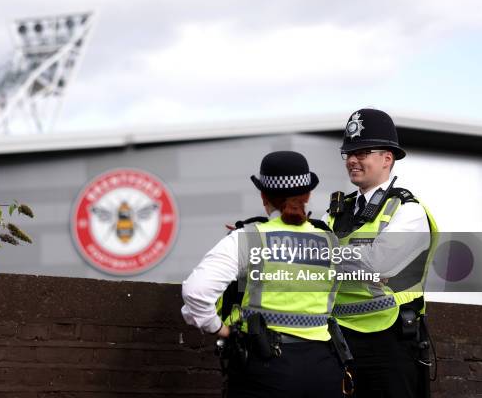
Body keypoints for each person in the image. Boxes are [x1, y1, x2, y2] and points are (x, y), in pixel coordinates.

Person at [182, 151, 344, 398]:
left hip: (265, 367)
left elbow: (196, 292)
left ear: (263, 196)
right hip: (323, 369)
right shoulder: (331, 242)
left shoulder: (249, 238)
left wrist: (219, 329)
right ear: (308, 195)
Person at [323, 108, 439, 398]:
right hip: (338, 338)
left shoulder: (408, 211)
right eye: (348, 153)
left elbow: (377, 266)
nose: (352, 160)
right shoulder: (336, 212)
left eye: (362, 152)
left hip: (390, 344)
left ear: (387, 158)